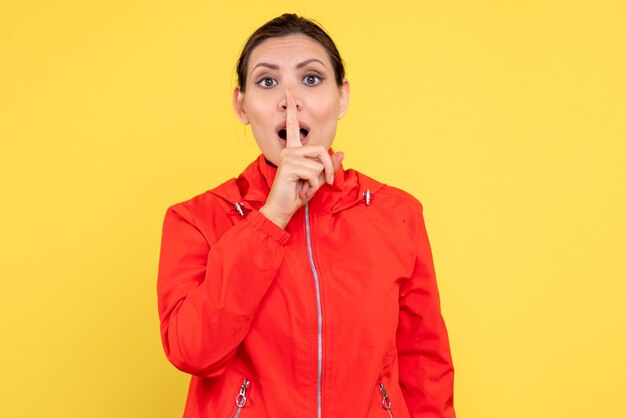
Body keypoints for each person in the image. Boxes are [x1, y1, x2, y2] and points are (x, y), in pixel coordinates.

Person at [157, 13, 455, 418]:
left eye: (311, 79)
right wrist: (272, 216)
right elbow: (193, 350)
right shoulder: (195, 219)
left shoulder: (398, 214)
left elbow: (425, 367)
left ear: (342, 97)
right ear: (241, 105)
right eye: (267, 82)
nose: (290, 100)